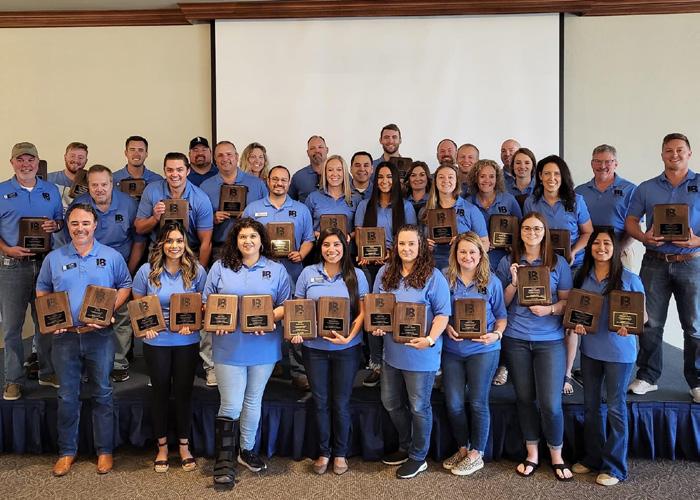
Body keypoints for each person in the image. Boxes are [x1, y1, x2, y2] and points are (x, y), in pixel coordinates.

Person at [36, 203, 132, 476]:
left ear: (95, 225)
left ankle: (105, 451)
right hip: (64, 338)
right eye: (75, 223)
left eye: (86, 223)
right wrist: (50, 317)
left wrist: (109, 310)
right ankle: (67, 452)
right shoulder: (54, 258)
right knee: (67, 395)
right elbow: (42, 288)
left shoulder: (111, 256)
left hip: (99, 336)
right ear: (68, 226)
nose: (80, 228)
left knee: (102, 392)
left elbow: (125, 285)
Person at [203, 217, 291, 487]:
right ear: (235, 240)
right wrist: (215, 320)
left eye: (253, 236)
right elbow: (207, 302)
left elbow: (286, 304)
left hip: (263, 345)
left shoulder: (276, 269)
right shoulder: (220, 267)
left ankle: (247, 450)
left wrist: (269, 318)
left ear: (262, 241)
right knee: (231, 402)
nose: (248, 241)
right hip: (228, 345)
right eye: (242, 237)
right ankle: (224, 460)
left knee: (253, 400)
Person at [495, 212, 573, 481]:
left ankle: (557, 455)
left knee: (551, 403)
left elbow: (567, 302)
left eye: (537, 228)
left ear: (545, 232)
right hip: (516, 338)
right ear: (520, 232)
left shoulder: (558, 263)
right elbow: (499, 304)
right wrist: (513, 284)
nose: (532, 233)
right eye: (527, 228)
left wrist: (550, 309)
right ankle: (532, 453)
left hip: (550, 341)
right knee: (525, 399)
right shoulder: (508, 262)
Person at [625, 132, 700, 403]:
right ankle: (648, 376)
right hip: (654, 262)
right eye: (669, 150)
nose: (674, 154)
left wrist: (696, 240)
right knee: (650, 322)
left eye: (680, 150)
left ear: (689, 153)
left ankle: (697, 381)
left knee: (694, 325)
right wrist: (643, 236)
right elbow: (631, 220)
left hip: (691, 262)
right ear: (662, 155)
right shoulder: (646, 188)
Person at [372, 224, 450, 479]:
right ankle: (406, 446)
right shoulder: (385, 272)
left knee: (418, 407)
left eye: (411, 244)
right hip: (392, 353)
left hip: (421, 354)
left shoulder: (434, 276)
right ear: (395, 246)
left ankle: (418, 456)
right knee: (390, 402)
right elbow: (378, 307)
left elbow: (443, 314)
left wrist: (429, 339)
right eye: (402, 244)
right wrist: (377, 326)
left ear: (421, 246)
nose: (406, 248)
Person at [569, 227, 645, 486]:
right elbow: (575, 311)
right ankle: (592, 458)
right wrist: (576, 324)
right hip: (590, 351)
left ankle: (615, 467)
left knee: (615, 407)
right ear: (590, 247)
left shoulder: (629, 279)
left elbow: (644, 317)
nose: (601, 248)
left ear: (616, 249)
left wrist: (630, 326)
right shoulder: (582, 276)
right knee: (591, 407)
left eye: (607, 244)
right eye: (596, 243)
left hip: (619, 354)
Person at [291, 227, 369, 475]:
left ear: (345, 247)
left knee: (341, 402)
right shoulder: (308, 273)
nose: (331, 249)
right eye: (326, 245)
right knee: (321, 401)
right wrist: (297, 329)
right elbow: (299, 307)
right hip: (314, 349)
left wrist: (350, 337)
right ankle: (324, 452)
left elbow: (364, 312)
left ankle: (341, 453)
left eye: (336, 244)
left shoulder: (357, 275)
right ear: (320, 247)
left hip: (347, 349)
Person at [132, 221, 207, 473]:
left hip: (187, 340)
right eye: (169, 241)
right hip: (157, 341)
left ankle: (184, 446)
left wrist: (193, 322)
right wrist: (146, 325)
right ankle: (162, 447)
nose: (174, 246)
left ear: (185, 244)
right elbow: (138, 301)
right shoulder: (147, 271)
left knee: (184, 393)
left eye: (179, 241)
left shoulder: (196, 270)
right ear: (161, 244)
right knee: (160, 393)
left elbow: (204, 304)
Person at [524, 155, 593, 394]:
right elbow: (527, 231)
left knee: (569, 322)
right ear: (540, 176)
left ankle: (566, 373)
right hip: (542, 268)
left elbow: (587, 232)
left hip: (572, 267)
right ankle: (546, 369)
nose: (551, 178)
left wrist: (573, 251)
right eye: (547, 173)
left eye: (556, 174)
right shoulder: (532, 202)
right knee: (548, 316)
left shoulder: (576, 201)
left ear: (563, 177)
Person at [242, 165, 314, 391]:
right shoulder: (253, 209)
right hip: (260, 275)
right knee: (264, 316)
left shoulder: (301, 209)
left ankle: (298, 371)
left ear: (289, 182)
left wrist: (301, 253)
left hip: (292, 272)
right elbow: (242, 238)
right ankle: (270, 365)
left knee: (293, 319)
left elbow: (309, 239)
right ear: (268, 181)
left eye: (283, 180)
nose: (279, 183)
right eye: (275, 179)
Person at [72, 164, 146, 383]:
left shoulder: (128, 204)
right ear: (88, 186)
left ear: (112, 184)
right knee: (88, 316)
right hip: (88, 270)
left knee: (121, 318)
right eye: (94, 185)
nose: (99, 189)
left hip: (120, 267)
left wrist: (128, 271)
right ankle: (89, 364)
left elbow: (138, 241)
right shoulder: (79, 205)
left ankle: (118, 362)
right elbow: (72, 240)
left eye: (104, 184)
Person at [1, 142, 63, 400]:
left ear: (38, 162)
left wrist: (55, 225)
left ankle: (46, 371)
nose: (26, 164)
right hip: (12, 266)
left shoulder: (51, 190)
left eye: (30, 160)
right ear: (12, 162)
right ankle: (12, 380)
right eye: (20, 160)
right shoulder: (1, 191)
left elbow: (60, 221)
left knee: (46, 322)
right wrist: (7, 249)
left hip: (45, 265)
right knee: (12, 327)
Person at [441, 232, 507, 476]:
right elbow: (438, 311)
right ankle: (462, 447)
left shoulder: (492, 282)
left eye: (472, 252)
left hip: (484, 349)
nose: (467, 256)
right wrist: (446, 327)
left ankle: (476, 453)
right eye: (462, 251)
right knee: (454, 403)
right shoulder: (445, 278)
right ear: (455, 254)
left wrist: (496, 335)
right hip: (453, 350)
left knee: (478, 402)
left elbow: (501, 317)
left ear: (481, 255)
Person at [355, 161, 416, 386]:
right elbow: (360, 235)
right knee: (374, 312)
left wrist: (391, 255)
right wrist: (364, 254)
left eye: (389, 177)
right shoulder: (365, 205)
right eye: (380, 177)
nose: (384, 181)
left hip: (398, 265)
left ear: (396, 181)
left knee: (395, 312)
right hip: (369, 267)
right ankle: (376, 364)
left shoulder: (406, 207)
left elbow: (411, 238)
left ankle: (396, 363)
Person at [135, 152, 214, 266]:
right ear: (164, 171)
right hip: (159, 249)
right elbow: (139, 229)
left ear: (188, 171)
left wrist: (200, 272)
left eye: (179, 170)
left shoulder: (201, 199)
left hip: (189, 250)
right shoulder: (152, 190)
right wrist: (155, 218)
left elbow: (206, 243)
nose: (174, 174)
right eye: (170, 170)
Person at [200, 141, 268, 261]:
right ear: (215, 159)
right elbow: (197, 220)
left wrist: (250, 216)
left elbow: (268, 214)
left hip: (252, 248)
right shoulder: (205, 187)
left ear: (236, 157)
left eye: (229, 154)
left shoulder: (257, 184)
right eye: (220, 155)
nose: (225, 159)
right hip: (220, 249)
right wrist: (212, 218)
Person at [420, 163, 488, 271]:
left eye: (450, 177)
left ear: (456, 182)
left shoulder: (470, 209)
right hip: (432, 268)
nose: (446, 180)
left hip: (462, 268)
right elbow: (416, 242)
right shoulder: (424, 211)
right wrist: (424, 246)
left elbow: (485, 243)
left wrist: (463, 243)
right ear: (435, 181)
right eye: (441, 177)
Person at [575, 145, 637, 257]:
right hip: (586, 253)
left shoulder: (630, 190)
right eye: (598, 161)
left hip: (621, 252)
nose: (602, 166)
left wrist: (616, 251)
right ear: (592, 164)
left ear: (616, 164)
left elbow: (635, 226)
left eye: (607, 162)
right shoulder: (579, 192)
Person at [468, 159, 523, 272]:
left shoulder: (508, 200)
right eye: (482, 176)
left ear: (497, 179)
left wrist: (513, 243)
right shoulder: (468, 202)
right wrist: (481, 243)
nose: (487, 180)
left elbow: (521, 227)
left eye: (491, 176)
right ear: (475, 178)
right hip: (476, 259)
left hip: (504, 258)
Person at [304, 155, 361, 236]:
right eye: (330, 170)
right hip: (319, 244)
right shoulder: (312, 198)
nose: (334, 174)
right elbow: (305, 228)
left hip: (347, 244)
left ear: (344, 173)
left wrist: (349, 236)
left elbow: (361, 230)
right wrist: (320, 235)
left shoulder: (356, 198)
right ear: (325, 173)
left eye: (339, 170)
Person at [47, 142, 89, 209]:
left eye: (80, 157)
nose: (76, 160)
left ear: (86, 161)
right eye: (72, 156)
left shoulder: (92, 182)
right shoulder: (48, 179)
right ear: (65, 157)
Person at [289, 135, 329, 203]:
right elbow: (289, 203)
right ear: (307, 153)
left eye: (320, 147)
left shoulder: (338, 175)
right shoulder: (298, 177)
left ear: (327, 150)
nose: (317, 150)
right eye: (312, 148)